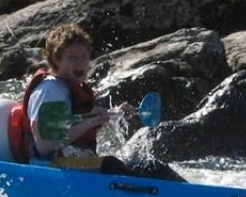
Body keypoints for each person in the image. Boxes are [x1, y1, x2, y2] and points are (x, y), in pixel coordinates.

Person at [17, 23, 185, 182]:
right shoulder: (50, 91)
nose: (81, 63)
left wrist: (115, 114)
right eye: (72, 57)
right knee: (111, 165)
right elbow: (45, 147)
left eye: (84, 56)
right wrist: (92, 121)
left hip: (74, 162)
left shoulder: (70, 87)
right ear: (56, 60)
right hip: (50, 167)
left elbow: (74, 125)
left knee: (152, 167)